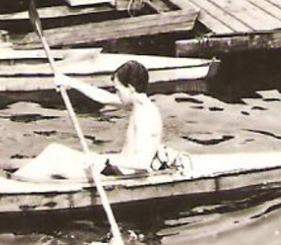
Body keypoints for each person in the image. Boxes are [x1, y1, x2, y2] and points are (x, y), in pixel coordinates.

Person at [11, 60, 173, 182]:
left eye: (118, 89)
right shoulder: (139, 104)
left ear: (130, 88)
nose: (116, 94)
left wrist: (105, 160)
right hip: (117, 167)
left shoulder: (144, 115)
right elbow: (103, 97)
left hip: (123, 174)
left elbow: (142, 162)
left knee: (53, 159)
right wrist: (68, 82)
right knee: (54, 150)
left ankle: (15, 185)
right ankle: (18, 180)